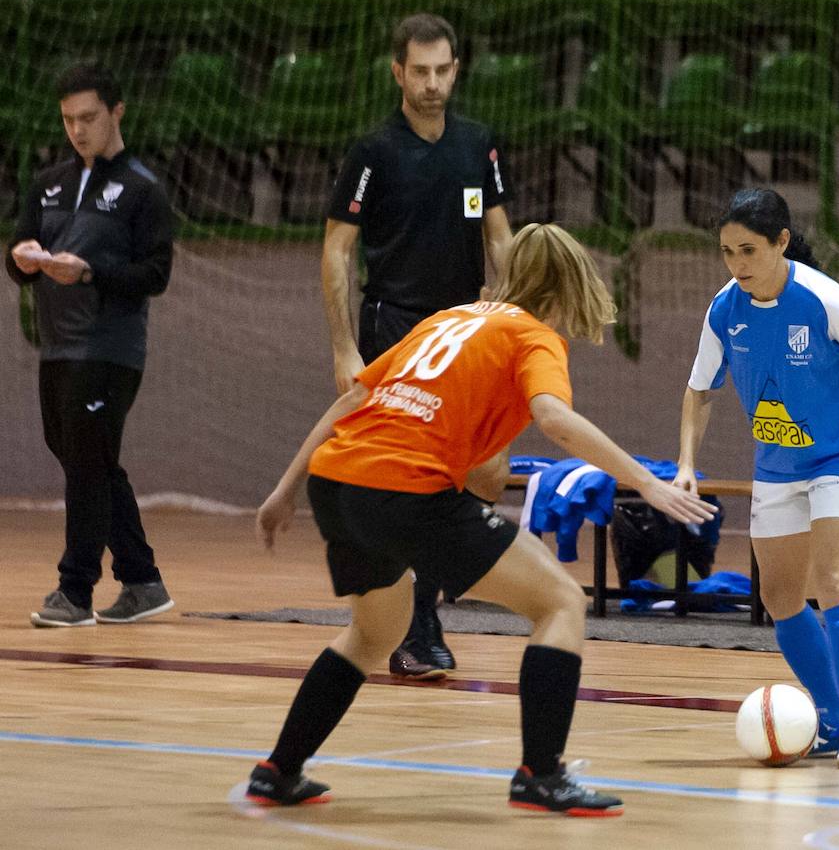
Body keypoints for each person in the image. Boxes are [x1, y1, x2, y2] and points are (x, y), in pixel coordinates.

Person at [247, 223, 717, 815]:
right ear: (571, 282)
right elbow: (555, 419)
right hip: (406, 487)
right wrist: (646, 481)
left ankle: (278, 770)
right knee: (560, 603)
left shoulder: (446, 318)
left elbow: (352, 399)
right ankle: (541, 775)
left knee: (373, 634)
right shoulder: (535, 336)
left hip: (338, 483)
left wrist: (285, 490)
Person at [672, 189, 839, 769]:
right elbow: (700, 389)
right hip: (777, 465)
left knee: (835, 579)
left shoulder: (824, 299)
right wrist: (687, 466)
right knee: (779, 597)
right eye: (726, 252)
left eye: (748, 250)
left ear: (781, 243)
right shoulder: (724, 309)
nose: (737, 263)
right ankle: (824, 715)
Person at [322, 13, 514, 678]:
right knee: (411, 478)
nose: (432, 84)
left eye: (443, 71)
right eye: (419, 71)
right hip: (397, 333)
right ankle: (419, 624)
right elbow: (337, 249)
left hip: (463, 331)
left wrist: (505, 313)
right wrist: (345, 347)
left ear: (456, 70)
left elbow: (499, 237)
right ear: (398, 72)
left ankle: (427, 591)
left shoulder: (477, 145)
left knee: (487, 471)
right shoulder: (373, 153)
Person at [5, 62, 176, 628]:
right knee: (87, 458)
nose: (78, 130)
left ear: (117, 112)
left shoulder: (143, 190)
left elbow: (155, 275)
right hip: (57, 346)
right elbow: (20, 255)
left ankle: (74, 591)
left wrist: (89, 274)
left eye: (89, 118)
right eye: (68, 120)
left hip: (109, 348)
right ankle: (142, 579)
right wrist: (23, 259)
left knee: (86, 463)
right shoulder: (48, 183)